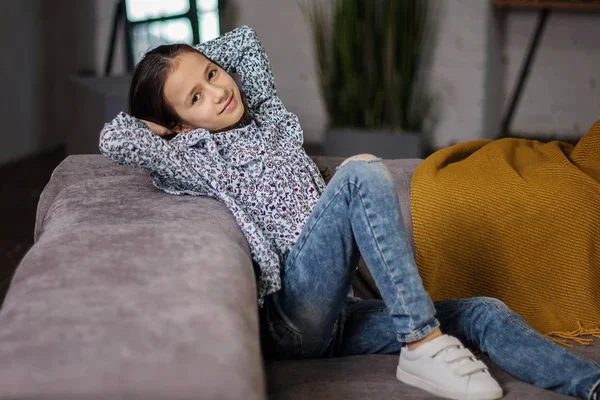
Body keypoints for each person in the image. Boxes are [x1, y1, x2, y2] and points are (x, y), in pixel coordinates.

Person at [99, 25, 600, 400]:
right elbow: (116, 138)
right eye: (195, 98)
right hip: (292, 317)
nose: (218, 91)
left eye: (212, 73)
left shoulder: (267, 118)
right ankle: (421, 343)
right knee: (360, 173)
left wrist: (198, 69)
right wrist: (165, 122)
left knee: (483, 311)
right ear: (178, 126)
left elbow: (244, 43)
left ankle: (591, 384)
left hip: (341, 313)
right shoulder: (198, 154)